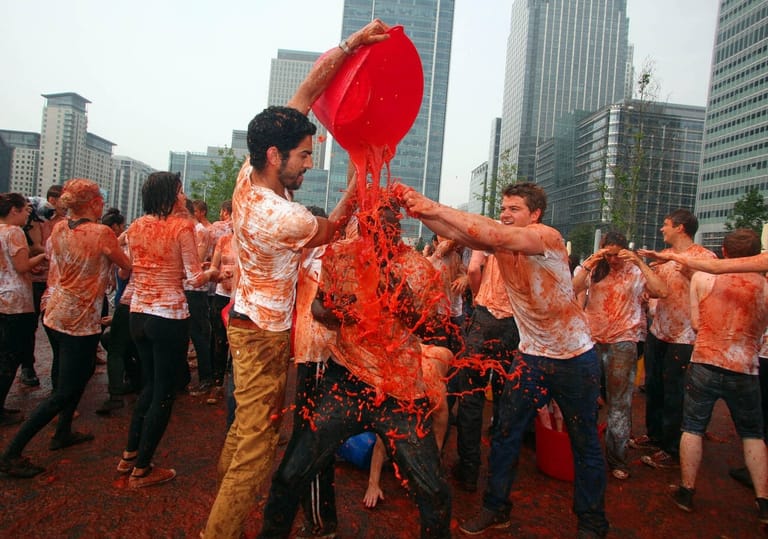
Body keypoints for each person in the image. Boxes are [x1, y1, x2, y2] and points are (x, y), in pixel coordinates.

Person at [201, 20, 390, 539]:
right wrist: (359, 177)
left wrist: (352, 45)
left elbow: (307, 90)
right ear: (273, 156)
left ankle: (224, 504)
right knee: (258, 453)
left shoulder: (249, 176)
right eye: (305, 156)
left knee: (244, 432)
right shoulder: (286, 218)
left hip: (246, 318)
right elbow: (334, 228)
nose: (309, 164)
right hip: (262, 334)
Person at [400, 182, 608, 538]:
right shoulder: (499, 243)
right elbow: (456, 231)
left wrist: (431, 204)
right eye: (504, 208)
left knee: (584, 441)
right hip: (532, 357)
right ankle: (497, 507)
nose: (506, 215)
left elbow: (492, 231)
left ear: (535, 215)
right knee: (504, 433)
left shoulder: (545, 237)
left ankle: (591, 523)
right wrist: (419, 211)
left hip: (575, 358)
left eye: (515, 209)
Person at [258, 200, 452, 539]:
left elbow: (436, 333)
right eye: (368, 225)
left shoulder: (417, 267)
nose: (374, 234)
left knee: (433, 489)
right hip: (345, 379)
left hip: (400, 389)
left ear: (397, 227)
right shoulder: (340, 255)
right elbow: (318, 304)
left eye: (384, 226)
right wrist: (332, 311)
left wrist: (402, 303)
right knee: (291, 473)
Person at [0, 179, 131, 478]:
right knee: (64, 390)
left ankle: (64, 431)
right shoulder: (101, 232)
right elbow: (126, 265)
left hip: (56, 312)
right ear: (94, 203)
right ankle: (12, 452)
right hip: (79, 319)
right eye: (99, 198)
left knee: (75, 374)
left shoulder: (59, 228)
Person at [116, 172, 218, 488]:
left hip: (138, 313)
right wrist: (215, 272)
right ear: (171, 196)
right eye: (181, 190)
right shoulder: (181, 227)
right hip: (168, 315)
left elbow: (129, 267)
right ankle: (143, 470)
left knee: (149, 385)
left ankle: (129, 455)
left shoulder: (136, 226)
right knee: (164, 391)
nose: (185, 195)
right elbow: (192, 278)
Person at [664, 229, 768, 523]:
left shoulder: (703, 278)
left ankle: (686, 491)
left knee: (693, 427)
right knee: (753, 434)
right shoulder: (765, 286)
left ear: (723, 251)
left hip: (706, 361)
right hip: (745, 366)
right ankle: (763, 501)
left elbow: (697, 324)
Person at [572, 231, 668, 480]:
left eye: (617, 255)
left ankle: (617, 458)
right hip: (593, 341)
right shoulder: (595, 269)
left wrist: (638, 262)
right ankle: (586, 453)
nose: (613, 260)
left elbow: (661, 291)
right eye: (609, 254)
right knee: (588, 399)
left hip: (623, 342)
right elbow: (571, 288)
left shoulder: (634, 271)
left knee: (619, 404)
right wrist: (593, 259)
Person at [631, 210, 716, 469]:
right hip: (659, 332)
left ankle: (671, 447)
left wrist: (690, 273)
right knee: (654, 387)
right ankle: (654, 434)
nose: (661, 229)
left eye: (665, 225)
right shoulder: (664, 259)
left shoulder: (705, 258)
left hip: (685, 337)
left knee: (675, 393)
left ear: (680, 228)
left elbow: (712, 292)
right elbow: (658, 290)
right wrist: (648, 294)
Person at [451, 247, 520, 494]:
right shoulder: (533, 240)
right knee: (506, 397)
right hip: (515, 322)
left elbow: (472, 269)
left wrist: (481, 298)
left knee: (471, 397)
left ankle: (469, 470)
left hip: (484, 319)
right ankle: (501, 468)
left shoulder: (492, 235)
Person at [0, 193, 46, 427]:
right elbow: (21, 266)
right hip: (16, 301)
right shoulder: (14, 232)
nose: (28, 214)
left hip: (2, 298)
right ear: (14, 210)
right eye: (25, 210)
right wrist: (43, 256)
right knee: (11, 356)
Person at [21, 185, 65, 387]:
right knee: (29, 327)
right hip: (34, 278)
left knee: (54, 326)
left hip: (53, 280)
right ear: (53, 199)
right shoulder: (38, 218)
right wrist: (53, 253)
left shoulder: (63, 222)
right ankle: (27, 367)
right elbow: (32, 246)